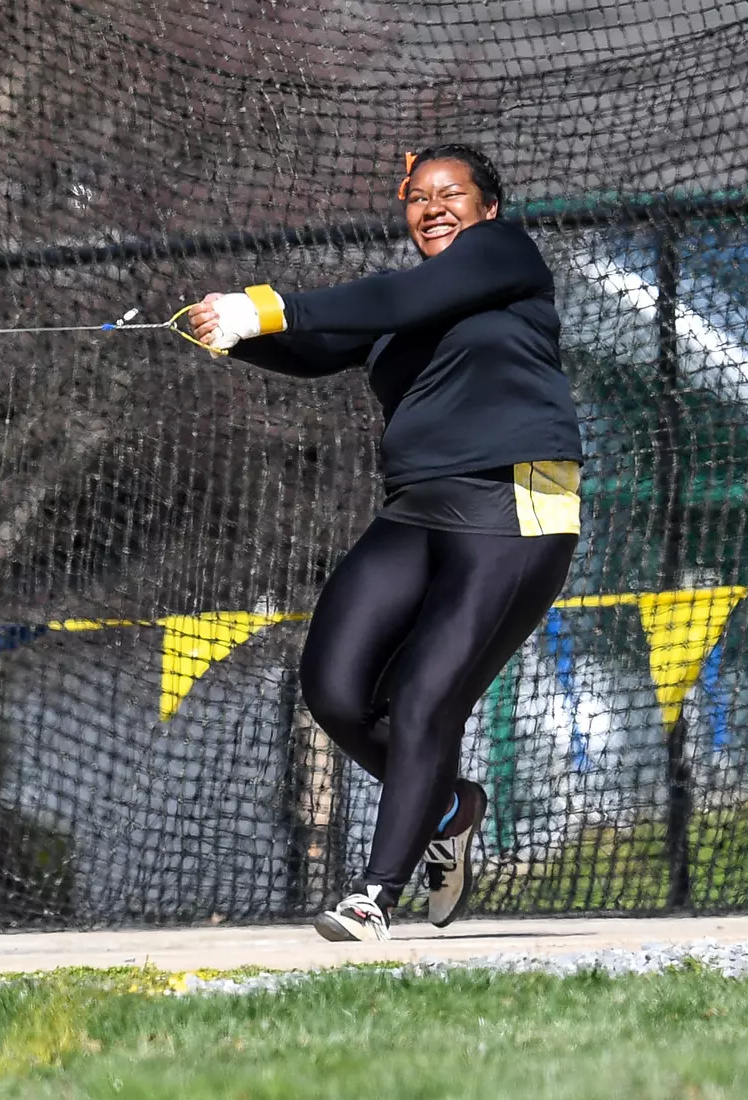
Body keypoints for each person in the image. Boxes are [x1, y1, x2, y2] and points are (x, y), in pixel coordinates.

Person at [188, 144, 584, 942]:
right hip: (416, 511)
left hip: (517, 504)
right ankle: (450, 806)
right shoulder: (403, 307)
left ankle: (375, 896)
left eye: (452, 194)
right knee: (335, 689)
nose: (433, 207)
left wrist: (264, 306)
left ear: (487, 208)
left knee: (427, 700)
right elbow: (323, 345)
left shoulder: (506, 256)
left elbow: (390, 297)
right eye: (418, 197)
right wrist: (230, 334)